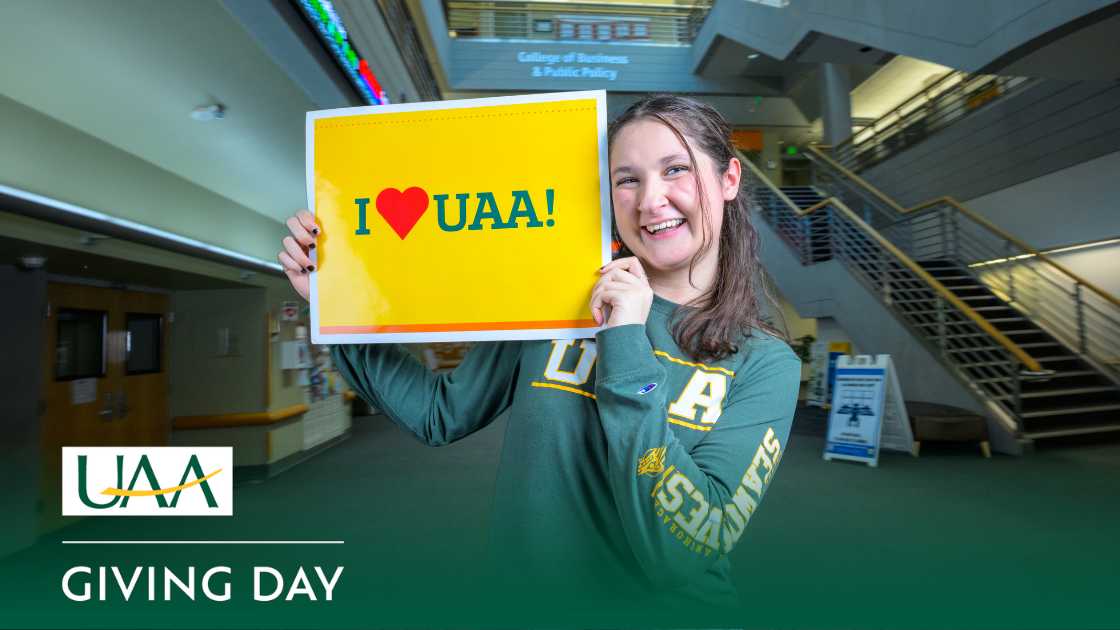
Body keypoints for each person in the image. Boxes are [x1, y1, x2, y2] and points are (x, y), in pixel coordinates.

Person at [278, 94, 800, 621]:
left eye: (676, 169)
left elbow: (682, 552)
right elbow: (439, 414)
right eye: (627, 179)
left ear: (729, 179)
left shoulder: (765, 362)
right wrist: (335, 306)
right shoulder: (554, 297)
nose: (650, 200)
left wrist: (625, 341)